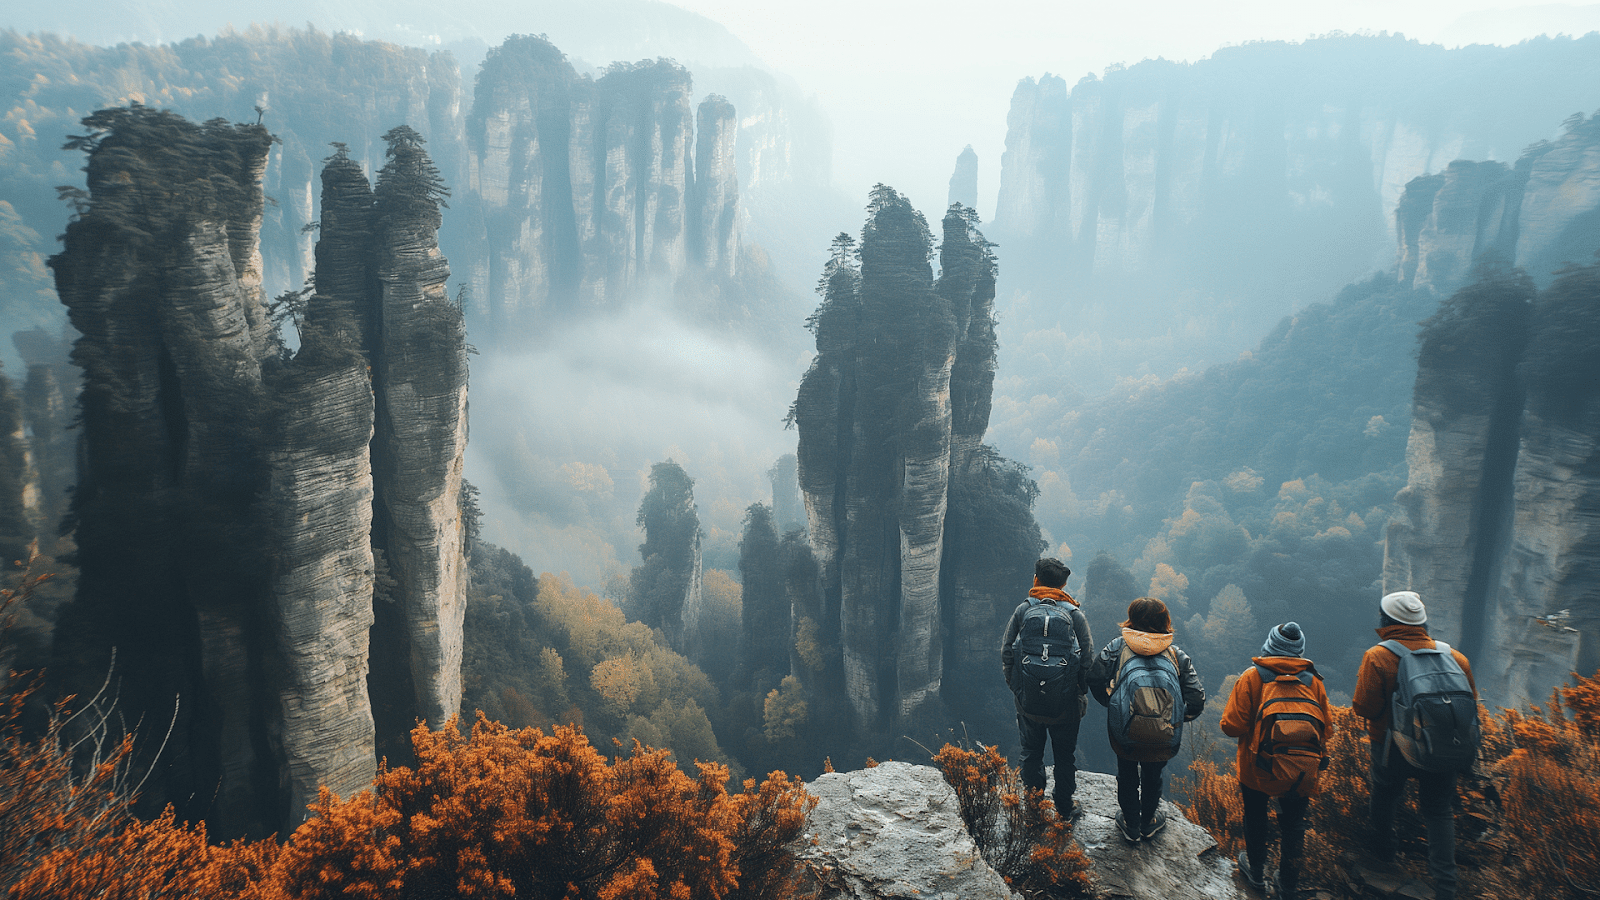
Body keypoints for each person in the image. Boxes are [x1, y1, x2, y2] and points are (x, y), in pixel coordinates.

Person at [1352, 591, 1477, 900]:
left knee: (1385, 798)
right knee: (1438, 811)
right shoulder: (1456, 657)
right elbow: (1470, 707)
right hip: (1442, 748)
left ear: (1386, 621)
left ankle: (1385, 864)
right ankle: (1446, 887)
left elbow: (1364, 707)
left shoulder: (1377, 657)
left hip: (1391, 747)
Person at [1221, 622, 1332, 899]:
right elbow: (1327, 729)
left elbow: (1231, 726)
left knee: (1256, 815)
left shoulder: (1252, 678)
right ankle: (1289, 885)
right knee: (1294, 825)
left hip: (1256, 767)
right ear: (1299, 650)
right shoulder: (1314, 682)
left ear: (1270, 644)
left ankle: (1256, 872)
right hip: (1301, 769)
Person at [1088, 596, 1204, 843]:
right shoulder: (1176, 654)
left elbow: (1095, 677)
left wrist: (1110, 703)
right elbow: (1196, 698)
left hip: (1126, 729)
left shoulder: (1118, 646)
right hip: (1164, 731)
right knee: (1153, 774)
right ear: (1165, 622)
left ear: (1132, 619)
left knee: (1127, 772)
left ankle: (1130, 824)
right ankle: (1148, 822)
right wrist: (1177, 717)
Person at [1001, 557, 1092, 818]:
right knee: (1065, 756)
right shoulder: (1074, 615)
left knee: (1031, 753)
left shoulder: (1023, 610)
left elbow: (1007, 652)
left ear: (1035, 580)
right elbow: (1087, 658)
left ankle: (1034, 806)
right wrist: (1078, 693)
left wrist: (1017, 688)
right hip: (1066, 706)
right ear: (1064, 585)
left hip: (1028, 703)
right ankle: (1064, 807)